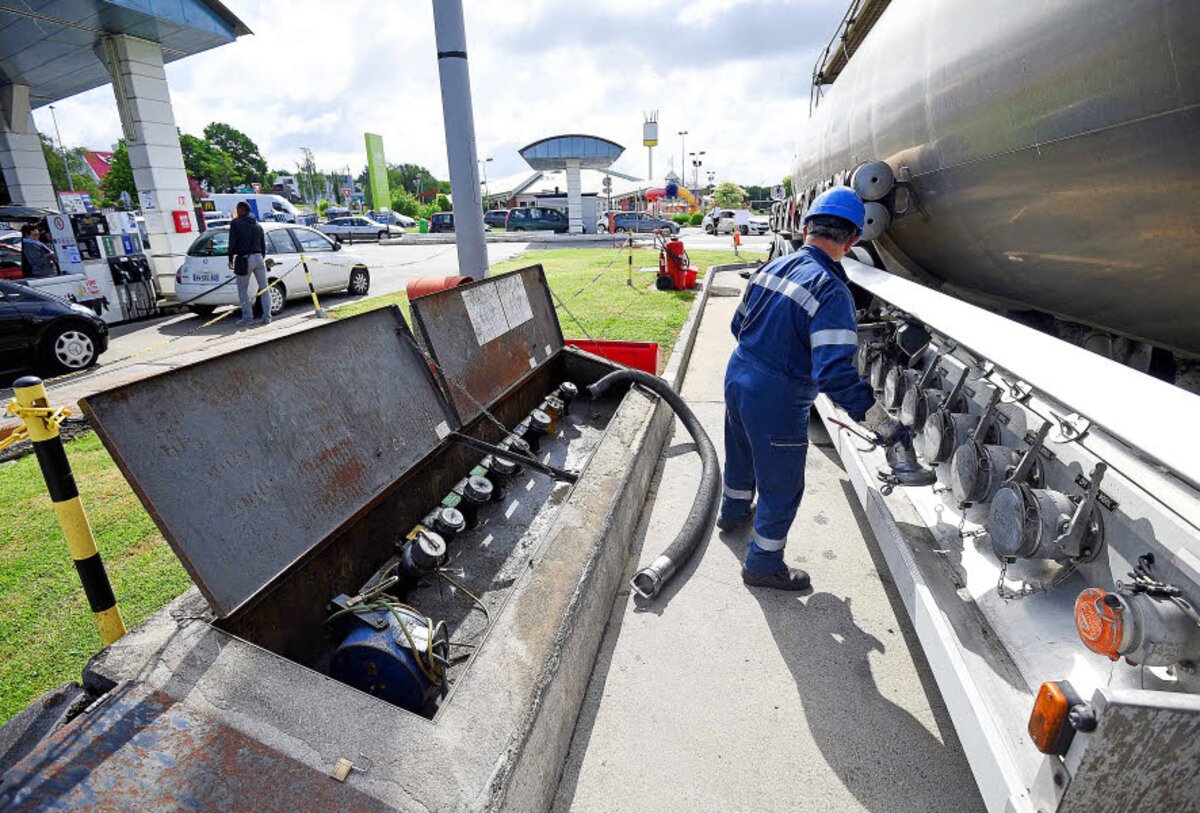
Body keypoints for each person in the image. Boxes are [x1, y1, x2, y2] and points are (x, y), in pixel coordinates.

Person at [719, 186, 904, 591]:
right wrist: (882, 423)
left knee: (741, 450)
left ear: (805, 228)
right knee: (781, 483)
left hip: (738, 373)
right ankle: (763, 564)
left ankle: (732, 512)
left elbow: (738, 326)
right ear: (853, 240)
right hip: (777, 395)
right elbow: (835, 375)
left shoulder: (771, 269)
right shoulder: (831, 292)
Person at [227, 201, 270, 326]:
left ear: (241, 210)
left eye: (236, 209)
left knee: (242, 289)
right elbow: (263, 246)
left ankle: (247, 318)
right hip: (259, 257)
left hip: (244, 259)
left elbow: (232, 242)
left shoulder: (235, 223)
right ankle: (267, 317)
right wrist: (260, 258)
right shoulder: (257, 225)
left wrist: (230, 258)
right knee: (264, 288)